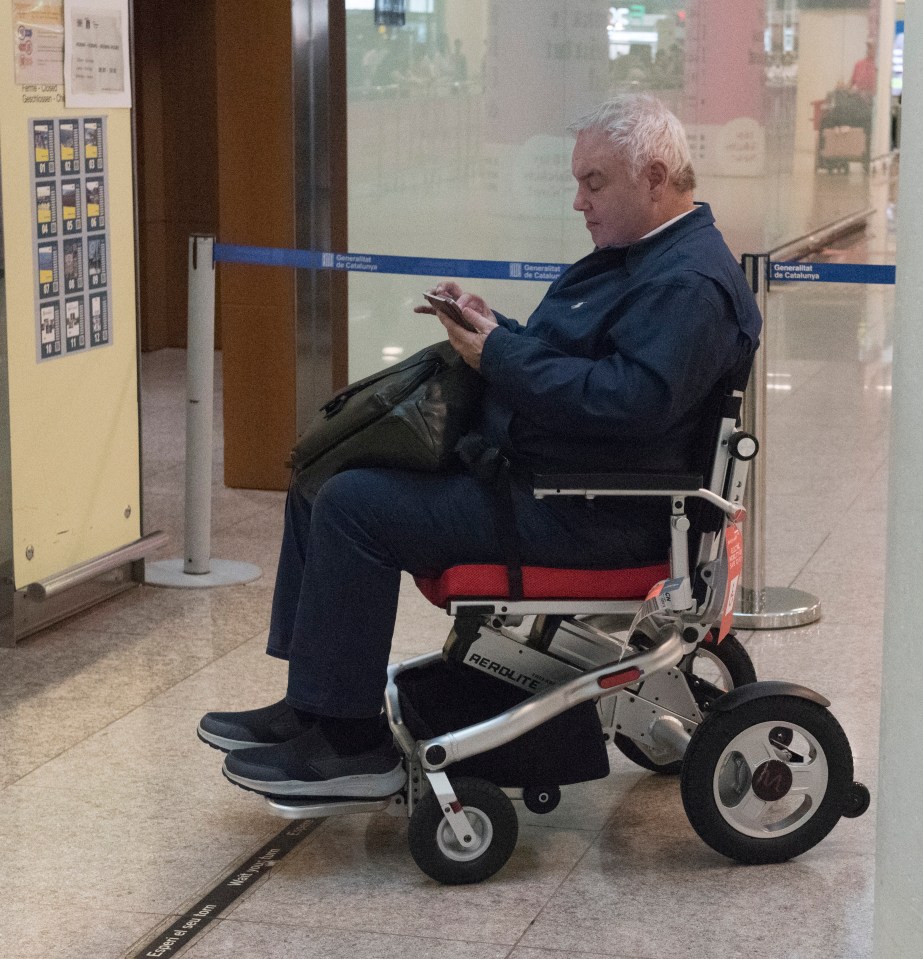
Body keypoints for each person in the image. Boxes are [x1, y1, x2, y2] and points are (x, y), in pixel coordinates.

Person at [198, 93, 762, 800]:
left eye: (594, 182)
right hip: (552, 481)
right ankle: (315, 702)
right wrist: (492, 328)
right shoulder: (640, 259)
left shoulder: (686, 284)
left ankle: (350, 743)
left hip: (589, 514)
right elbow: (576, 362)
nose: (578, 202)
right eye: (577, 181)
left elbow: (624, 405)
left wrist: (498, 355)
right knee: (324, 471)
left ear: (653, 176)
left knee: (352, 504)